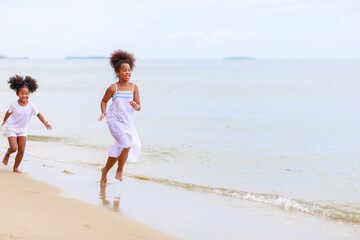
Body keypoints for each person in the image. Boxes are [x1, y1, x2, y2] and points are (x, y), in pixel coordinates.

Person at [99, 50, 141, 183]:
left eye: (129, 70)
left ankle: (105, 170)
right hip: (114, 120)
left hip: (127, 122)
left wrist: (135, 106)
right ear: (117, 73)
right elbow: (104, 101)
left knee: (129, 144)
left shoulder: (134, 87)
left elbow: (139, 106)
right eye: (124, 70)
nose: (128, 72)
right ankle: (120, 170)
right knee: (125, 143)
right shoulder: (113, 88)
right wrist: (104, 112)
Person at [1, 75, 52, 173]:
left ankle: (15, 168)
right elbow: (8, 112)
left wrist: (45, 122)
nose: (24, 96)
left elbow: (38, 114)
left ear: (29, 93)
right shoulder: (13, 104)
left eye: (26, 93)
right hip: (11, 128)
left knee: (21, 149)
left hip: (22, 130)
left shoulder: (31, 105)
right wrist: (4, 120)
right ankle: (7, 154)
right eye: (22, 93)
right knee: (14, 148)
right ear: (17, 94)